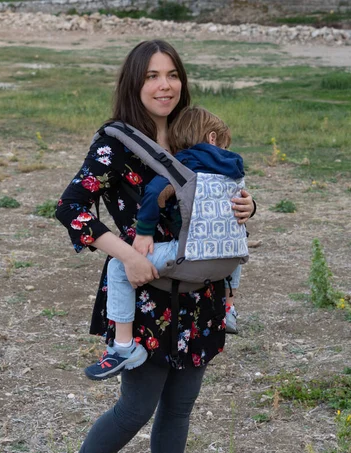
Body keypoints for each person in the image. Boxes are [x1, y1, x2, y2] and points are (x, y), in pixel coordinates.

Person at [48, 39, 255, 453]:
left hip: (200, 290)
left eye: (172, 75)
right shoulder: (116, 143)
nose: (164, 85)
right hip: (146, 290)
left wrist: (248, 208)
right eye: (152, 76)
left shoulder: (193, 136)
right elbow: (70, 207)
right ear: (134, 84)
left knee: (180, 406)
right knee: (136, 407)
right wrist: (128, 255)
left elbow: (214, 200)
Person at [84, 105, 247, 381]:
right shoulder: (233, 166)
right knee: (236, 236)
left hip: (187, 253)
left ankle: (123, 347)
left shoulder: (180, 167)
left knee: (118, 267)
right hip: (229, 259)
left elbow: (153, 194)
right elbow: (239, 207)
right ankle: (229, 308)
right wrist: (249, 207)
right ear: (211, 138)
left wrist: (145, 232)